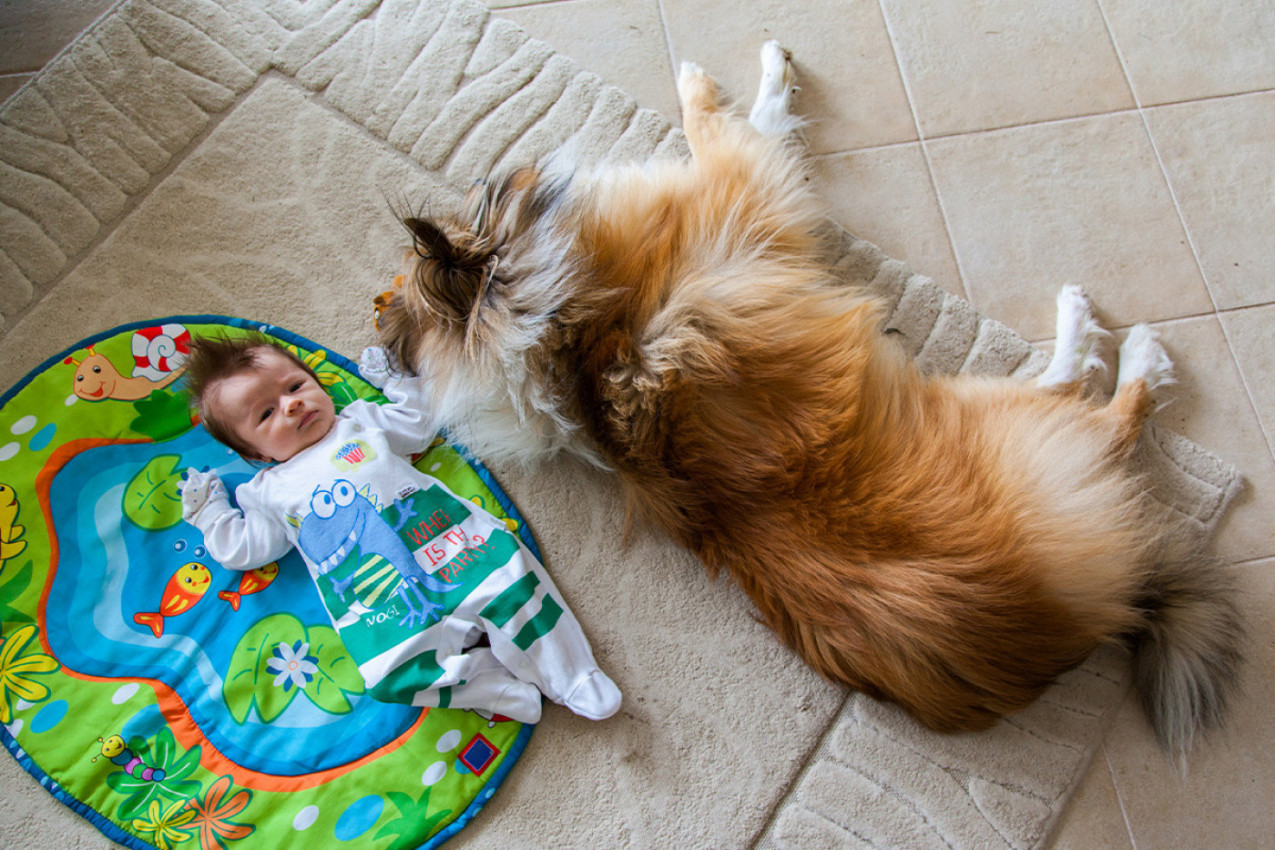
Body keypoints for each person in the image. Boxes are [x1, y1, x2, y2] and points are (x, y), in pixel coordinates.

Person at [178, 333, 621, 724]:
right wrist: (209, 514)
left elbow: (419, 425)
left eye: (296, 387)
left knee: (515, 590)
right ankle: (493, 687)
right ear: (256, 455)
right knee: (389, 677)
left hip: (450, 544)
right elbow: (244, 548)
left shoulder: (358, 422)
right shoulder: (267, 492)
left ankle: (573, 676)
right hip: (379, 602)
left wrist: (395, 383)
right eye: (266, 414)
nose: (292, 404)